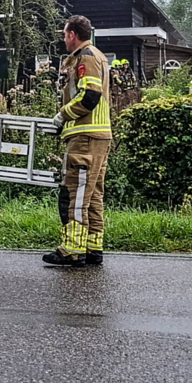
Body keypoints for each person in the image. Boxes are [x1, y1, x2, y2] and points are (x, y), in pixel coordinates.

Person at [44, 15, 112, 267]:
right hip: (98, 136)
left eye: (64, 34)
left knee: (74, 194)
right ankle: (93, 248)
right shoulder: (98, 56)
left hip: (86, 137)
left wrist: (63, 115)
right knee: (92, 196)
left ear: (72, 34)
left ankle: (72, 250)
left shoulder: (86, 57)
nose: (64, 39)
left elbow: (89, 97)